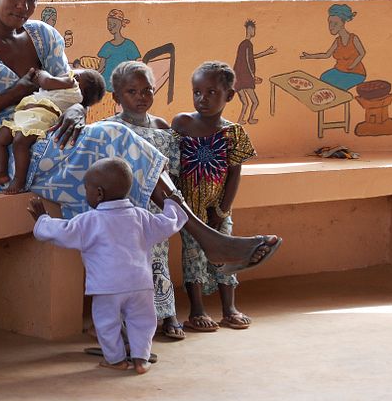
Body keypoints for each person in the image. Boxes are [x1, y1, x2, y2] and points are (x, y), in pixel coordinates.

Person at [0, 0, 280, 276]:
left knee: (119, 162)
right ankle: (204, 244)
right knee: (116, 140)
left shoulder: (43, 37)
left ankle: (141, 294)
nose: (23, 7)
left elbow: (73, 92)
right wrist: (14, 94)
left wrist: (77, 109)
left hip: (50, 137)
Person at [28, 157, 187, 374]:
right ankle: (141, 360)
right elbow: (167, 224)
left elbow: (62, 232)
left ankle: (116, 360)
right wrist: (173, 205)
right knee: (143, 321)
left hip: (106, 287)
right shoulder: (141, 216)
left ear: (99, 193)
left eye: (87, 190)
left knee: (106, 324)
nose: (87, 194)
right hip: (140, 284)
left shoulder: (88, 221)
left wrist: (42, 219)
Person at [171, 61, 256, 332]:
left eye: (211, 93)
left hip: (218, 208)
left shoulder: (233, 133)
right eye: (197, 92)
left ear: (229, 96)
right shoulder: (182, 123)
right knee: (193, 254)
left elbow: (234, 175)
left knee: (226, 254)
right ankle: (197, 310)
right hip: (188, 209)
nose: (201, 99)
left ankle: (229, 308)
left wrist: (221, 212)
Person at [105, 61, 185, 340]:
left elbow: (172, 169)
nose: (141, 97)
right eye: (132, 91)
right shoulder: (108, 129)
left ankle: (168, 313)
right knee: (129, 264)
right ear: (116, 97)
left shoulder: (162, 127)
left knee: (159, 259)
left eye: (147, 90)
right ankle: (128, 321)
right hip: (125, 210)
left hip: (155, 208)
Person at [0, 67, 105, 193]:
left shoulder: (72, 84)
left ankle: (19, 180)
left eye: (71, 72)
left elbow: (46, 81)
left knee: (20, 142)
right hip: (23, 116)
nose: (65, 73)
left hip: (40, 117)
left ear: (76, 78)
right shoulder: (69, 94)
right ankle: (1, 173)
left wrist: (40, 72)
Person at [300, 3, 366, 91]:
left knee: (336, 88)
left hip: (355, 73)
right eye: (330, 23)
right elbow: (326, 55)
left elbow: (362, 53)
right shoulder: (337, 41)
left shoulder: (353, 38)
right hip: (340, 70)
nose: (331, 27)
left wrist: (353, 65)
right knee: (324, 78)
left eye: (335, 23)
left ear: (342, 23)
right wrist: (309, 56)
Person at [233, 19, 276, 125]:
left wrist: (266, 52)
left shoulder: (243, 44)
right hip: (245, 78)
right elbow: (248, 61)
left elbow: (250, 57)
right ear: (250, 29)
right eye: (253, 29)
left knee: (245, 103)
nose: (254, 32)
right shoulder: (247, 44)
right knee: (255, 102)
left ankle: (240, 120)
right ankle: (250, 119)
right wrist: (253, 77)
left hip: (237, 78)